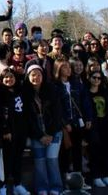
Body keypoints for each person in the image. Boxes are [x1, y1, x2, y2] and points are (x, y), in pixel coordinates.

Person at [23, 64, 63, 195]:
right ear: (28, 76)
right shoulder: (25, 93)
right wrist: (40, 135)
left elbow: (57, 114)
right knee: (39, 161)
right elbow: (27, 119)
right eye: (33, 75)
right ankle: (42, 188)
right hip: (36, 132)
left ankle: (56, 187)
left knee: (51, 159)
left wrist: (50, 134)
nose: (36, 77)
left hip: (54, 130)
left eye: (39, 74)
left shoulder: (52, 90)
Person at [0, 69, 30, 195]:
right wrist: (5, 129)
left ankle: (17, 184)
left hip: (20, 130)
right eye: (6, 77)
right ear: (2, 79)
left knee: (18, 158)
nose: (9, 79)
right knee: (6, 160)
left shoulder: (20, 91)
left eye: (11, 76)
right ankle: (2, 186)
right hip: (7, 131)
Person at [85, 72, 108, 188]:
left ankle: (107, 175)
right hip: (93, 125)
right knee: (95, 152)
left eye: (99, 78)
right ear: (89, 78)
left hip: (105, 124)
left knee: (107, 150)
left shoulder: (105, 92)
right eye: (94, 77)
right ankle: (96, 176)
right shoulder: (86, 93)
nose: (97, 80)